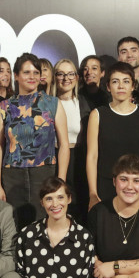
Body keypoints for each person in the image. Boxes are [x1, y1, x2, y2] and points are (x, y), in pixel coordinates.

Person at [0, 53, 69, 226]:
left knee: (45, 224)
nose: (32, 77)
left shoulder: (53, 103)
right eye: (26, 72)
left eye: (36, 72)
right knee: (13, 226)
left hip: (45, 173)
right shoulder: (4, 107)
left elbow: (64, 145)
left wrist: (61, 181)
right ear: (16, 76)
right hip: (12, 175)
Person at [86, 61, 139, 208]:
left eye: (126, 81)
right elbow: (92, 156)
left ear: (133, 86)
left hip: (135, 186)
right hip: (104, 186)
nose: (121, 86)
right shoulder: (97, 114)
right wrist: (93, 192)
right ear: (108, 86)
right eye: (115, 82)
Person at [50, 58, 91, 214]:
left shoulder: (84, 103)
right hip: (53, 158)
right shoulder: (47, 104)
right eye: (61, 74)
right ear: (55, 77)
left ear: (77, 77)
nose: (66, 78)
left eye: (70, 74)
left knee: (77, 205)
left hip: (78, 159)